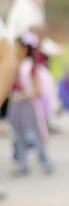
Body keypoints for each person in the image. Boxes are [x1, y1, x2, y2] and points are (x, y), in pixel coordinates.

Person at [9, 32, 53, 176]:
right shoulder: (18, 65)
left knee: (34, 134)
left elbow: (36, 90)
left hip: (29, 106)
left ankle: (45, 161)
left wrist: (22, 95)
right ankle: (22, 164)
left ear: (24, 49)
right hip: (19, 106)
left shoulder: (30, 67)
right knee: (19, 135)